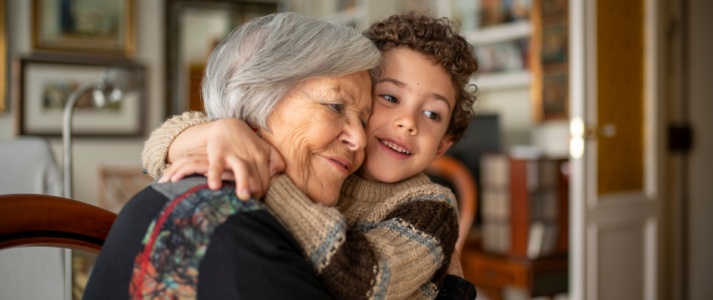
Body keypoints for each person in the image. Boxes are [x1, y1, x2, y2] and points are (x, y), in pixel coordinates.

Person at [142, 11, 479, 299]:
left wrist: (266, 170)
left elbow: (364, 280)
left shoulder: (431, 207)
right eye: (389, 98)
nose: (407, 123)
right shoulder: (328, 166)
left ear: (442, 146)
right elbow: (157, 148)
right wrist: (214, 134)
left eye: (433, 114)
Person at [83, 12, 382, 299]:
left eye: (365, 121)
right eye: (335, 106)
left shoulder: (213, 197)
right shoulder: (230, 227)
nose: (358, 139)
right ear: (255, 100)